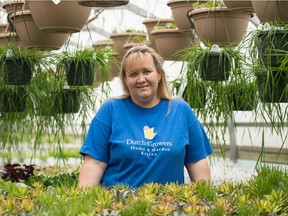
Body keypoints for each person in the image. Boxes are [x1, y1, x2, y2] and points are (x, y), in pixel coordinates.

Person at [78, 45, 213, 188]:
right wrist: (84, 201)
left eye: (147, 71)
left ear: (159, 74)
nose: (141, 79)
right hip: (118, 205)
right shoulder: (111, 109)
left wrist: (206, 200)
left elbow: (196, 161)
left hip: (169, 206)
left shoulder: (180, 109)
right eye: (133, 74)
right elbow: (95, 163)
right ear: (125, 79)